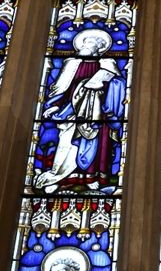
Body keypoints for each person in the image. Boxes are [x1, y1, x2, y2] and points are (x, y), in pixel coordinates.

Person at [34, 28, 126, 191]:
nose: (85, 46)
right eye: (84, 42)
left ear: (100, 46)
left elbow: (120, 86)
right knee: (67, 143)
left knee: (96, 144)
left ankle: (91, 177)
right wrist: (55, 105)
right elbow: (62, 88)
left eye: (90, 43)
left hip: (99, 112)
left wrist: (104, 84)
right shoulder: (71, 64)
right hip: (71, 110)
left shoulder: (108, 63)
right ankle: (62, 176)